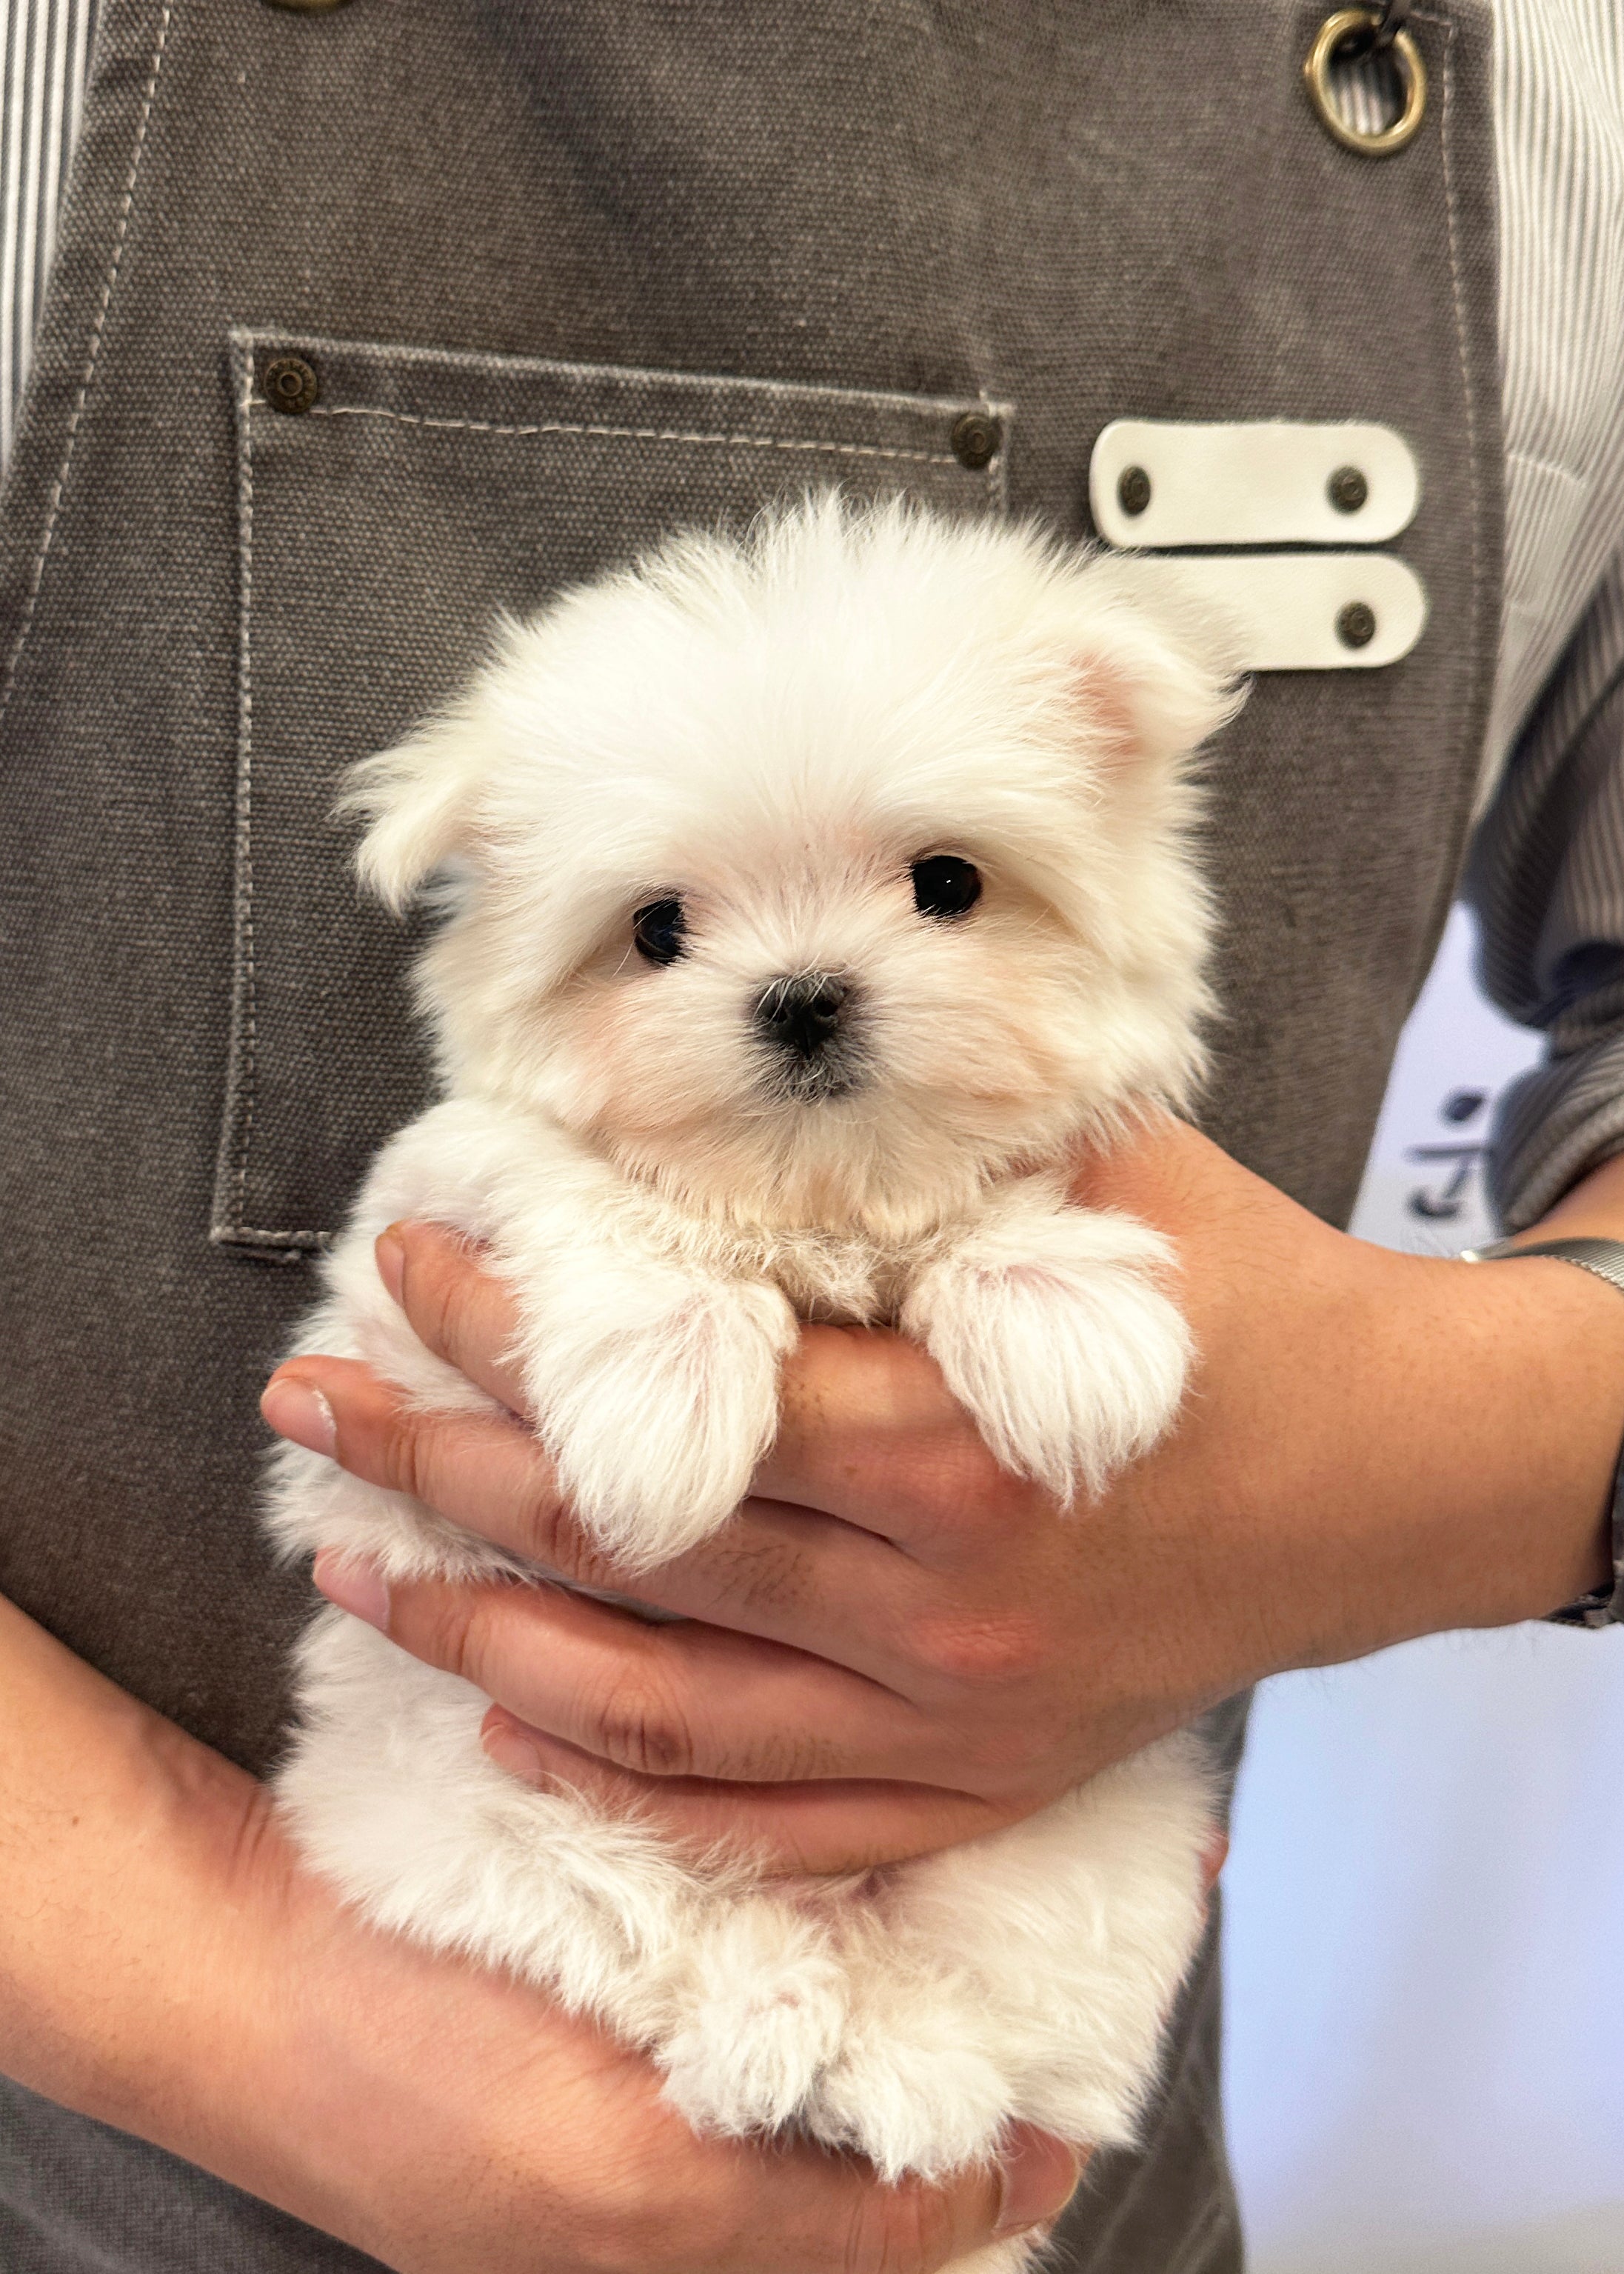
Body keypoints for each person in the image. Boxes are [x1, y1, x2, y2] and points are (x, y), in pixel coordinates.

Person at [1, 3, 1622, 2270]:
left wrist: (1496, 1436)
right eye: (661, 927)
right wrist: (238, 2003)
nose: (805, 987)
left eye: (940, 887)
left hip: (1047, 2178)